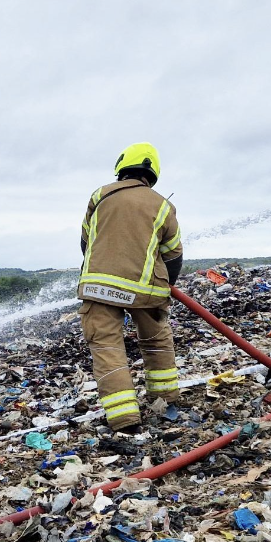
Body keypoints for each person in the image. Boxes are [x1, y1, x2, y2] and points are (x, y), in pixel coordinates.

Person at [78, 142, 183, 433]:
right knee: (157, 341)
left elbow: (86, 243)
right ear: (153, 174)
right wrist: (166, 288)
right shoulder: (163, 205)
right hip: (146, 289)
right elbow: (173, 254)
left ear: (122, 167)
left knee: (107, 348)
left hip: (98, 288)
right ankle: (166, 402)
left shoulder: (100, 196)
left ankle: (125, 422)